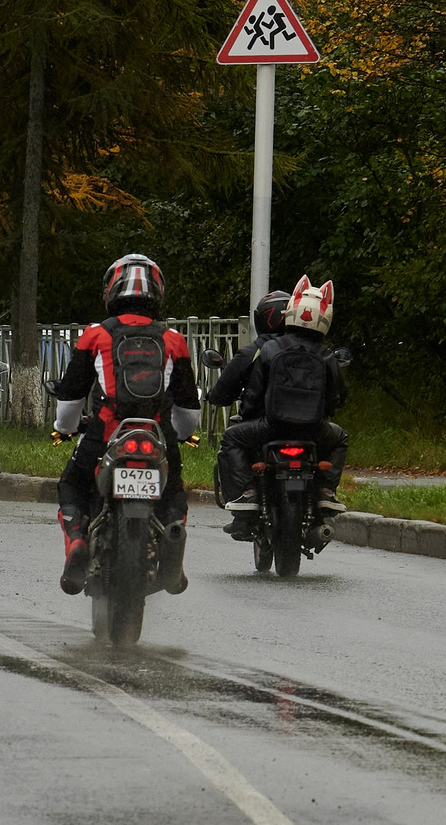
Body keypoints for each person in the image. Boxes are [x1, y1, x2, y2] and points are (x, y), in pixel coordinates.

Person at [50, 254, 204, 595]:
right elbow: (188, 409)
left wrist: (65, 427)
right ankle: (174, 546)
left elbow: (71, 399)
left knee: (71, 483)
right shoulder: (174, 340)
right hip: (158, 434)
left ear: (112, 290)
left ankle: (77, 540)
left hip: (106, 432)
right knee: (174, 490)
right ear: (158, 292)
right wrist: (181, 435)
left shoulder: (94, 335)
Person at [219, 277, 351, 539]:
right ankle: (325, 491)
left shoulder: (269, 349)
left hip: (271, 427)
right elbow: (338, 397)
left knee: (231, 438)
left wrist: (247, 415)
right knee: (341, 439)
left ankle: (248, 493)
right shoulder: (326, 355)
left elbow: (254, 394)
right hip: (314, 430)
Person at [206, 291, 291, 531]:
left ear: (262, 319)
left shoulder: (255, 350)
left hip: (264, 425)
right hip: (310, 427)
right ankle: (324, 491)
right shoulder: (312, 348)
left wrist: (217, 397)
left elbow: (223, 390)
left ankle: (245, 497)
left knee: (231, 440)